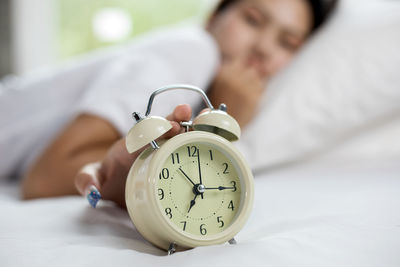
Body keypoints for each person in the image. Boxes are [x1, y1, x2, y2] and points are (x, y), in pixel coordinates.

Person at [1, 0, 337, 207]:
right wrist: (220, 114)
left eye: (287, 42)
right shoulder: (191, 50)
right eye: (252, 19)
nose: (263, 47)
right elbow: (45, 178)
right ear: (213, 15)